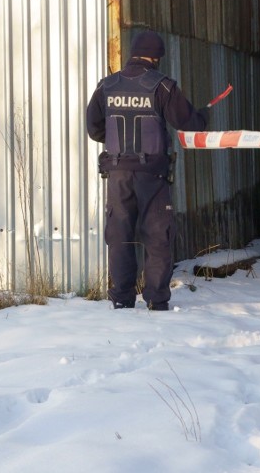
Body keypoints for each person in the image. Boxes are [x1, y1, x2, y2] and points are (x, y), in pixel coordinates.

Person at [86, 30, 208, 311]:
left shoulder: (107, 86)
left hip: (117, 174)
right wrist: (203, 115)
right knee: (157, 237)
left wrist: (122, 142)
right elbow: (189, 123)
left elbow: (94, 129)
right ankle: (156, 300)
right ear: (155, 57)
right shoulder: (162, 86)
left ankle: (122, 299)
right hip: (152, 174)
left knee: (120, 236)